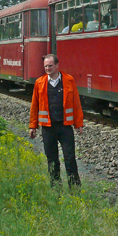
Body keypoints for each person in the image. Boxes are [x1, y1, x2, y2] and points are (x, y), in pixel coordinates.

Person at [29, 54, 83, 187]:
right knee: (52, 160)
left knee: (70, 158)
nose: (47, 68)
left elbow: (76, 102)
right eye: (45, 66)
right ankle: (56, 188)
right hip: (48, 128)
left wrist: (79, 123)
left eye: (50, 66)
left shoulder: (68, 80)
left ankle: (74, 187)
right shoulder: (40, 83)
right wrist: (33, 126)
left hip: (65, 127)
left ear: (57, 65)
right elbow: (34, 105)